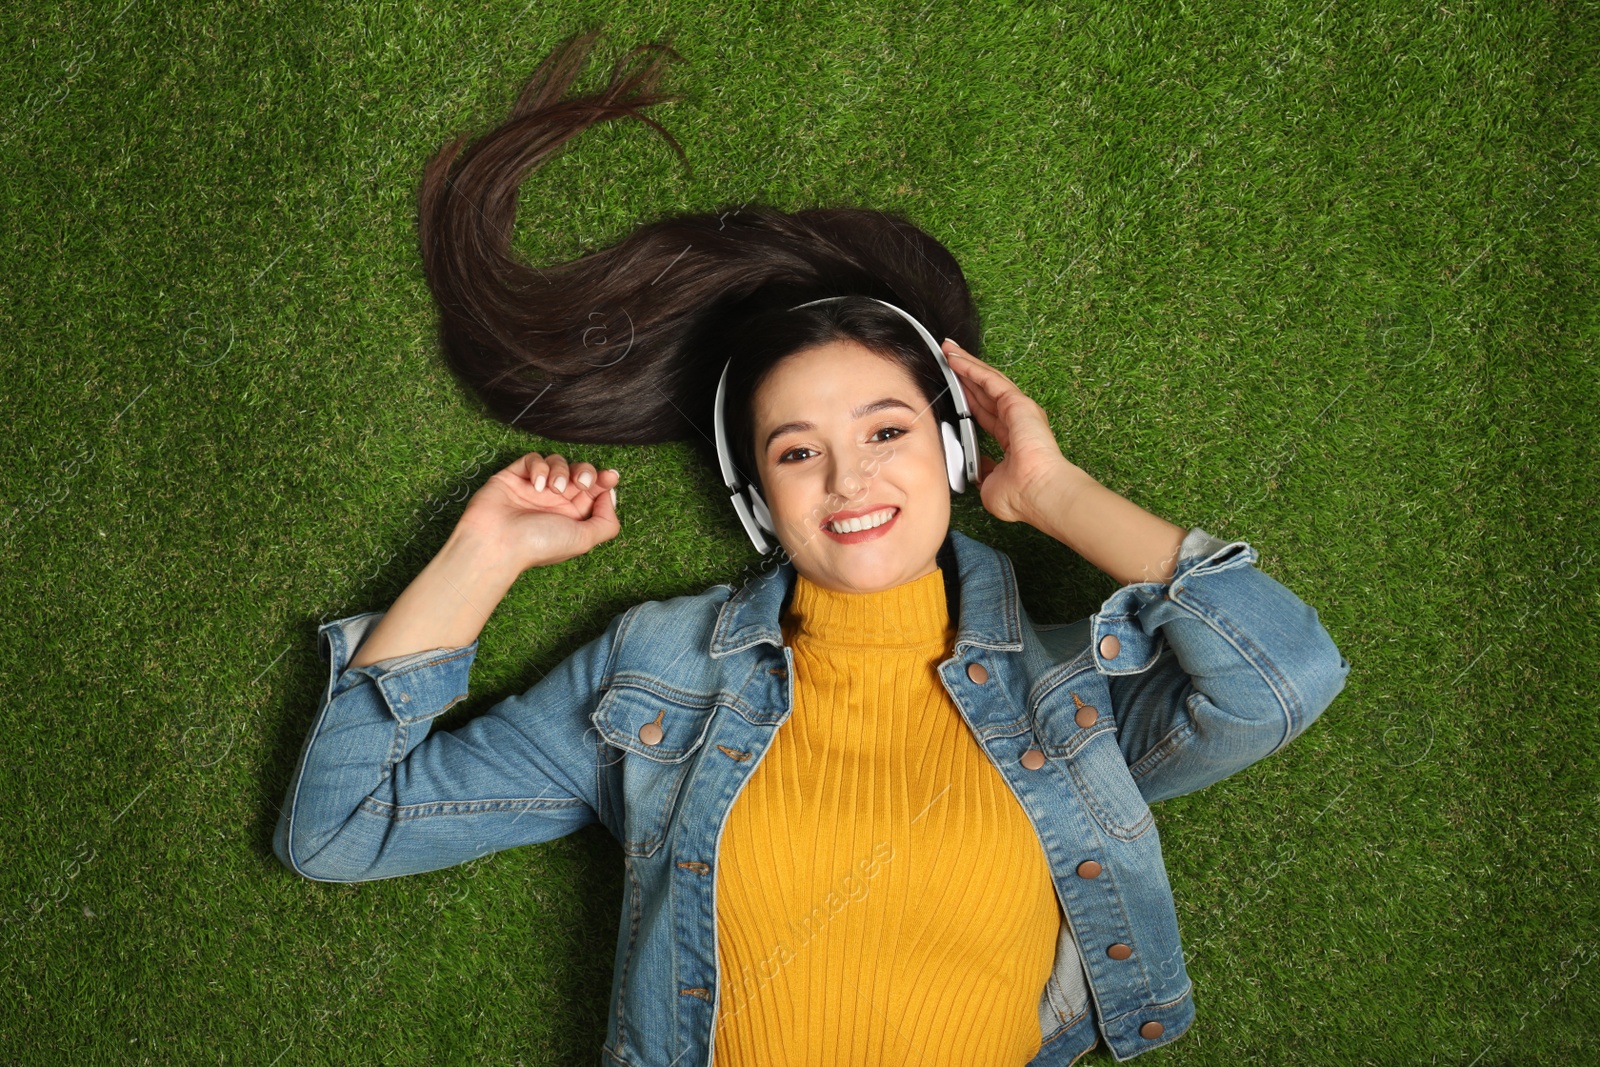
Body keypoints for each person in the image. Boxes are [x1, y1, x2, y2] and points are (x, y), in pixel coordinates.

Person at [273, 29, 1351, 1067]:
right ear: (755, 500)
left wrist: (1053, 490)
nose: (849, 479)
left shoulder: (1070, 693)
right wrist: (484, 553)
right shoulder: (656, 676)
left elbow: (1283, 677)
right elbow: (341, 828)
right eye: (797, 452)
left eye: (885, 431)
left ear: (948, 447)